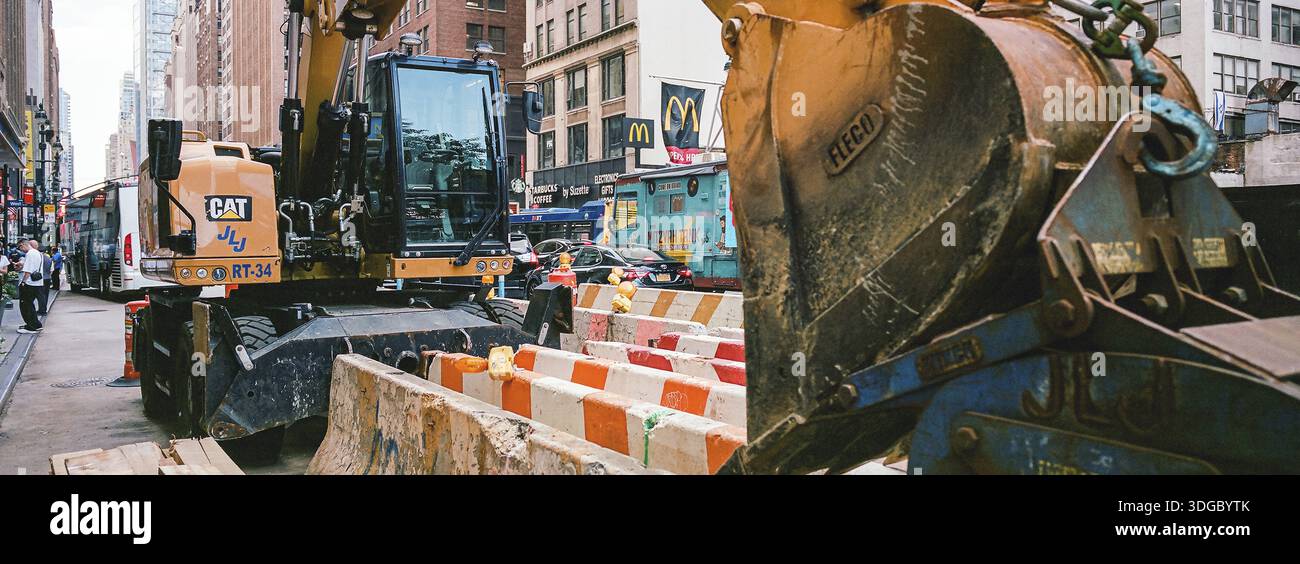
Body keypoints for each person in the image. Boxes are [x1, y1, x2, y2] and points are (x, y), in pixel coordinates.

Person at [18, 239, 44, 333]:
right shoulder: (37, 253)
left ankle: (31, 326)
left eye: (20, 247)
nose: (21, 250)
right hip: (37, 283)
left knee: (26, 304)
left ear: (23, 245)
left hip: (30, 283)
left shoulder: (30, 254)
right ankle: (35, 324)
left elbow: (28, 271)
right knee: (29, 304)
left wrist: (23, 282)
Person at [37, 243, 53, 315]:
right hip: (47, 278)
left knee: (40, 295)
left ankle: (41, 310)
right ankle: (44, 309)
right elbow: (52, 270)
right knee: (46, 295)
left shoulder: (37, 258)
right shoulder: (49, 259)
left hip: (40, 279)